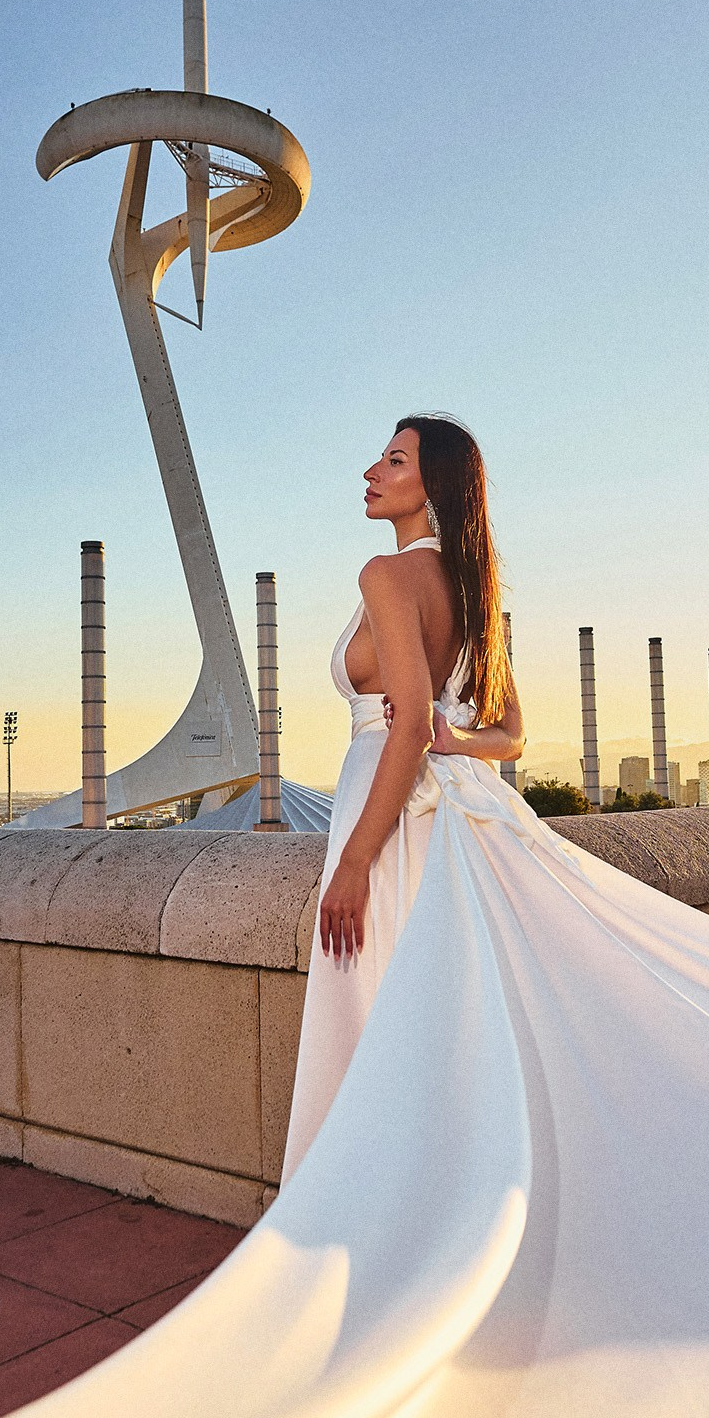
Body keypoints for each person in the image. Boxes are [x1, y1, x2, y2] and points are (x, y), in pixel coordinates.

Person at [281, 413, 526, 1178]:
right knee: (437, 1023)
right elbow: (512, 733)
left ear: (435, 487)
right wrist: (460, 741)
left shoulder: (386, 577)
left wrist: (354, 860)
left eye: (393, 461)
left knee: (370, 1008)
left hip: (385, 812)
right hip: (448, 814)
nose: (372, 472)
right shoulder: (473, 587)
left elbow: (410, 722)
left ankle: (366, 1213)